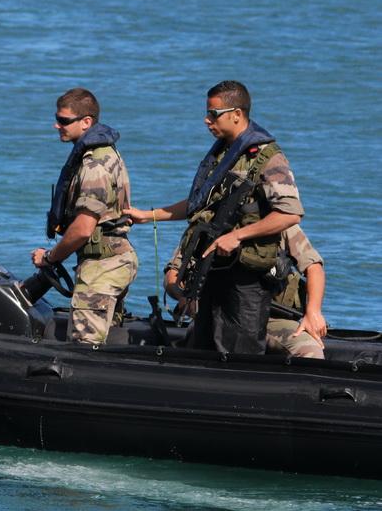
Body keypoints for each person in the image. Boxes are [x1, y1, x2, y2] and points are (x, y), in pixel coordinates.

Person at [127, 80, 303, 354]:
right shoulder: (224, 154)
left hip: (245, 276)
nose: (207, 120)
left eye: (214, 114)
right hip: (211, 269)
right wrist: (149, 216)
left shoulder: (267, 158)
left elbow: (290, 214)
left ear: (237, 114)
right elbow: (201, 203)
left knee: (241, 350)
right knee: (204, 344)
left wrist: (237, 236)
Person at [30, 87, 137, 344]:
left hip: (102, 268)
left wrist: (49, 256)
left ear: (86, 122)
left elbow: (83, 229)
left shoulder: (95, 166)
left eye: (64, 121)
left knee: (84, 348)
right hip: (112, 260)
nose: (58, 126)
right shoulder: (105, 155)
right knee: (107, 339)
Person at [162, 225, 327, 359]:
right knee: (199, 345)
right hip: (215, 313)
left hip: (272, 317)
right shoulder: (211, 222)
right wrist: (184, 296)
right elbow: (173, 275)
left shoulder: (279, 225)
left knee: (310, 351)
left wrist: (313, 312)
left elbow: (314, 266)